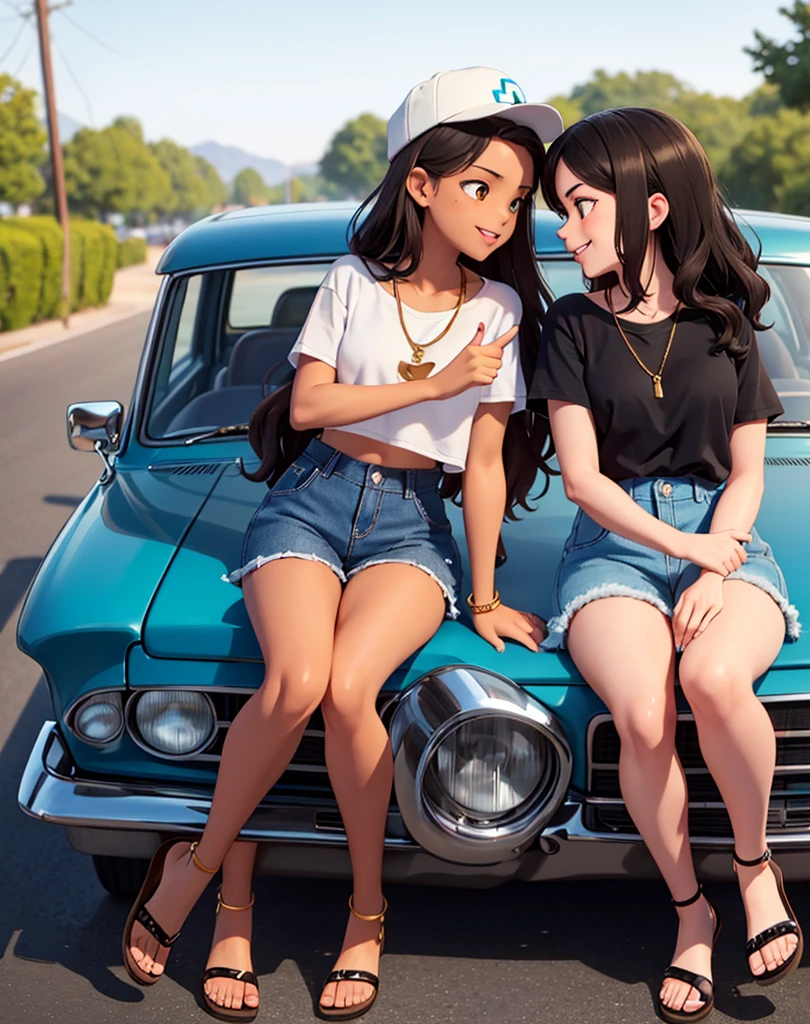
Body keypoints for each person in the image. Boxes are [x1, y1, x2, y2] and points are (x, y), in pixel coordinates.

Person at [121, 67, 561, 1023]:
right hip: (310, 502)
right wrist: (434, 380)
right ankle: (208, 879)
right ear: (421, 183)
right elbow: (313, 406)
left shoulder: (502, 311)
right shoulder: (352, 281)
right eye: (479, 186)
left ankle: (367, 913)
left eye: (516, 197)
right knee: (293, 684)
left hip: (412, 520)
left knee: (353, 689)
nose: (500, 213)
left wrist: (482, 597)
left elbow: (482, 465)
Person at [530, 107, 803, 1023]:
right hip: (611, 547)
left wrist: (717, 566)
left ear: (649, 205)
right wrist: (682, 551)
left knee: (716, 677)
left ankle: (757, 869)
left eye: (578, 208)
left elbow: (750, 470)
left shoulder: (728, 322)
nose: (563, 232)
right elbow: (579, 480)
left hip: (723, 533)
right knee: (644, 710)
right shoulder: (568, 324)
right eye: (558, 211)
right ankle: (693, 913)